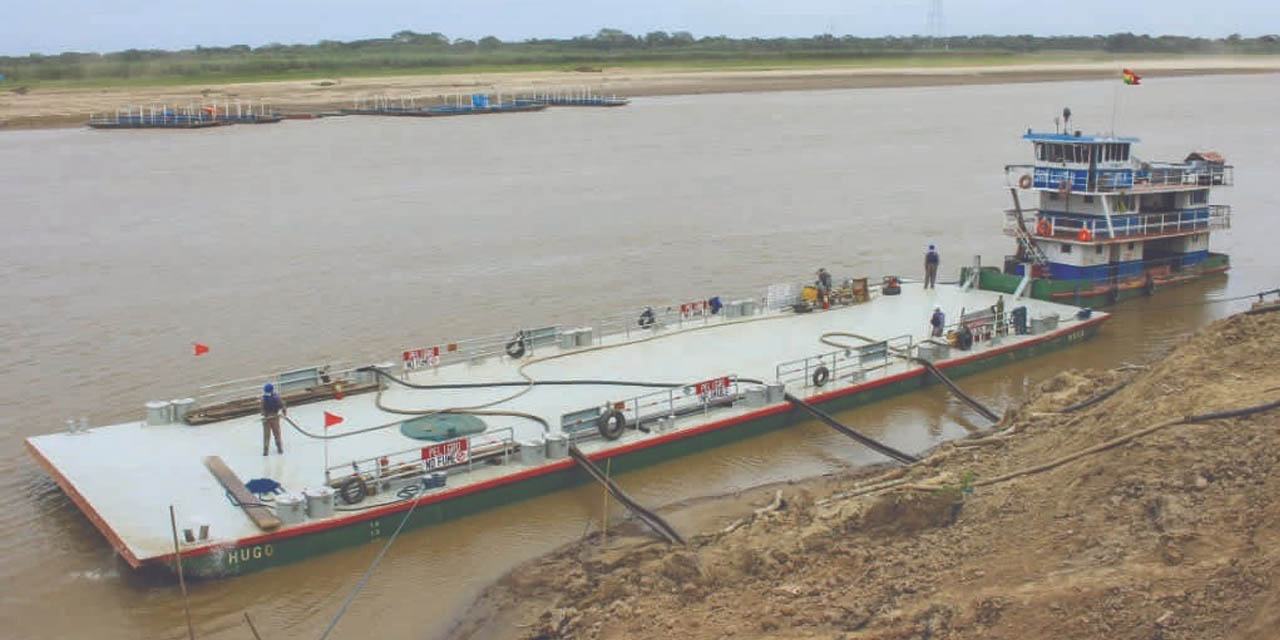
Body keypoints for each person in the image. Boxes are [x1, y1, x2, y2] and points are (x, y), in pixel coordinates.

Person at [262, 383, 286, 456]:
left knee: (266, 435)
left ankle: (266, 450)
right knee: (277, 433)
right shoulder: (276, 397)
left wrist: (265, 415)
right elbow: (282, 405)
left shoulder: (263, 398)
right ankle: (279, 448)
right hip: (275, 417)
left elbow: (262, 409)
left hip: (266, 418)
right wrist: (284, 412)